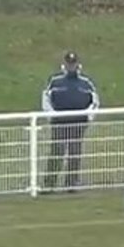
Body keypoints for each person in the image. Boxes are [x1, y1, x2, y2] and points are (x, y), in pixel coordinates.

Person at [41, 51, 100, 192]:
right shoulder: (55, 81)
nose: (71, 66)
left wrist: (88, 117)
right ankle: (49, 184)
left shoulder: (86, 83)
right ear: (65, 64)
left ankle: (71, 183)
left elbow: (95, 102)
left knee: (75, 153)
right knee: (57, 152)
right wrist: (51, 115)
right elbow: (46, 98)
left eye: (73, 63)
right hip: (59, 122)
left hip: (78, 123)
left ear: (77, 64)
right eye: (69, 63)